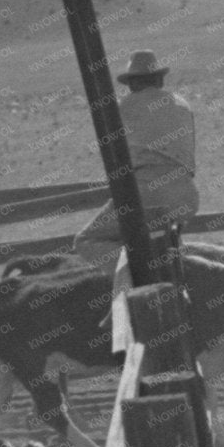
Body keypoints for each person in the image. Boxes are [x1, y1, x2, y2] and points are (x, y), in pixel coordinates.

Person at [71, 50, 200, 286]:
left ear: (132, 83)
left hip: (147, 192)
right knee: (166, 242)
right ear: (159, 79)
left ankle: (135, 280)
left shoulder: (122, 108)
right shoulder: (182, 104)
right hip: (186, 193)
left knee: (87, 240)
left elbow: (116, 156)